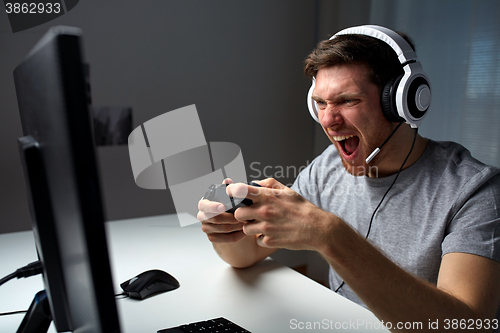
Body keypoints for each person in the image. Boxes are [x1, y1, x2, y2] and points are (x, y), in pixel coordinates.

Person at [197, 25, 500, 331]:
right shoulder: (327, 167)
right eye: (321, 103)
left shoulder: (475, 190)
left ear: (401, 101)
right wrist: (226, 232)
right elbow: (245, 255)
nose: (328, 120)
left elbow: (468, 325)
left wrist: (330, 235)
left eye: (348, 100)